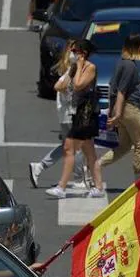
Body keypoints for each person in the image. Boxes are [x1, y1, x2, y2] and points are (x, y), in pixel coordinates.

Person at [47, 39, 106, 198]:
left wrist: (78, 67)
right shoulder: (74, 68)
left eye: (75, 51)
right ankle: (99, 187)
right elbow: (58, 86)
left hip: (86, 113)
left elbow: (79, 85)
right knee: (89, 152)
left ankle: (61, 187)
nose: (72, 54)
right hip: (79, 112)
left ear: (83, 53)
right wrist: (70, 73)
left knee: (68, 148)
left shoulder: (90, 67)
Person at [30, 43, 89, 189]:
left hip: (68, 115)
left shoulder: (74, 70)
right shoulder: (71, 71)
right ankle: (79, 179)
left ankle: (39, 167)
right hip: (70, 116)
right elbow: (58, 87)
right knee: (77, 147)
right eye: (76, 51)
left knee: (67, 147)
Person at [95, 33, 140, 183]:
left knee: (125, 145)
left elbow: (112, 87)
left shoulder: (121, 62)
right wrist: (118, 114)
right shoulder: (129, 66)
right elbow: (121, 91)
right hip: (130, 108)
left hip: (122, 108)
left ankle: (98, 164)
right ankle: (139, 181)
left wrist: (113, 110)